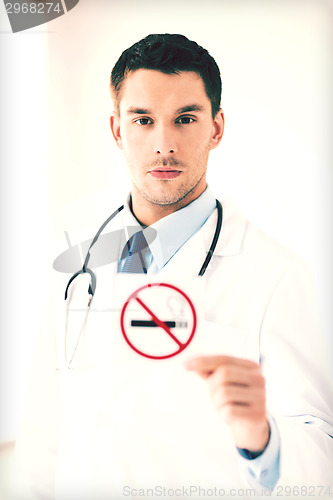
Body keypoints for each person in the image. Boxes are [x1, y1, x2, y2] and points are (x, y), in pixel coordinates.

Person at [11, 33, 333, 500]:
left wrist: (263, 438)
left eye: (185, 119)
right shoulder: (74, 261)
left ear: (216, 128)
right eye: (143, 119)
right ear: (118, 130)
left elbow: (321, 458)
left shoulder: (276, 277)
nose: (164, 144)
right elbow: (44, 432)